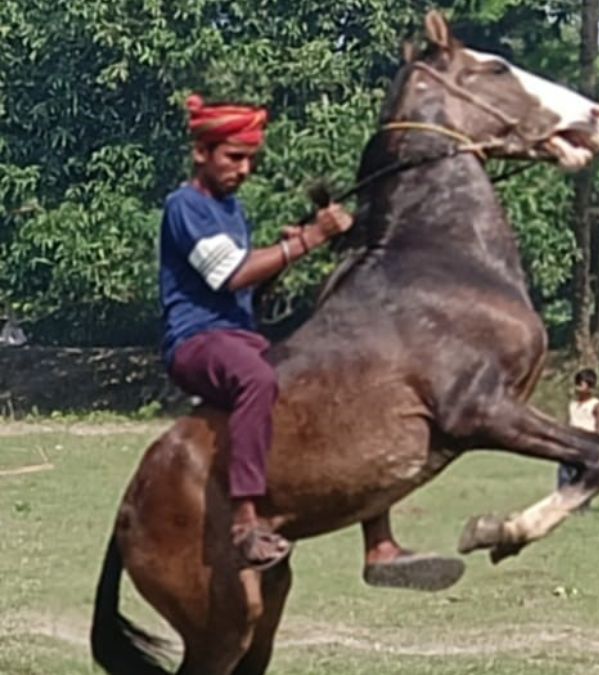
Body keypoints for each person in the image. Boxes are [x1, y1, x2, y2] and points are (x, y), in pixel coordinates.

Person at [161, 95, 455, 584]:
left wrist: (289, 251)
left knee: (332, 381)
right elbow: (229, 276)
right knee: (256, 379)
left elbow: (250, 280)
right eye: (234, 157)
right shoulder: (185, 205)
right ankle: (245, 519)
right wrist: (305, 241)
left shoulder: (231, 209)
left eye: (251, 158)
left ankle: (379, 544)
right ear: (200, 153)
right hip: (195, 342)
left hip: (239, 336)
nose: (245, 168)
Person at [559, 368, 599, 511]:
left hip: (587, 442)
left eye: (582, 384)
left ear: (590, 387)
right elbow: (569, 422)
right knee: (565, 473)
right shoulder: (572, 404)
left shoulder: (595, 404)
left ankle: (583, 504)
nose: (578, 388)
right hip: (572, 441)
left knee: (583, 474)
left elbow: (598, 426)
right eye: (577, 384)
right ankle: (564, 501)